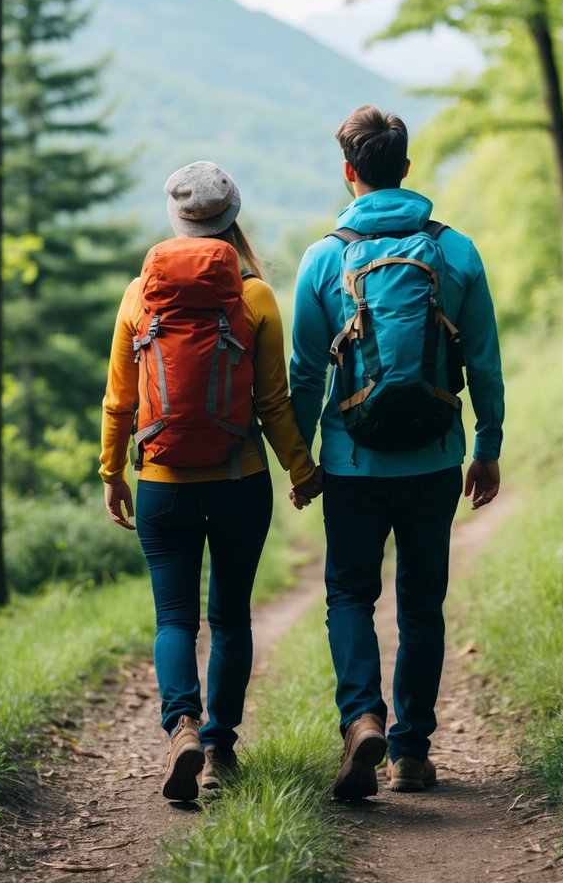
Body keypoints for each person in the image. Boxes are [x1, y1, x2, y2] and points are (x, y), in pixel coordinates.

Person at [289, 104, 503, 799]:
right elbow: (483, 363)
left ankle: (361, 719)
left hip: (351, 464)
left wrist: (299, 460)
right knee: (420, 601)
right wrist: (486, 445)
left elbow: (304, 373)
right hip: (436, 458)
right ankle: (411, 753)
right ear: (405, 169)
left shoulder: (324, 259)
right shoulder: (456, 251)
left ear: (349, 172)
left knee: (349, 594)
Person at [100, 161, 320, 802]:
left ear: (176, 219)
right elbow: (274, 402)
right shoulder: (254, 296)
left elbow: (118, 402)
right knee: (229, 620)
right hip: (239, 478)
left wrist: (113, 473)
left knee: (174, 619)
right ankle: (221, 748)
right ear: (232, 219)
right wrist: (302, 471)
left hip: (163, 482)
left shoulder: (139, 293)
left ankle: (182, 728)